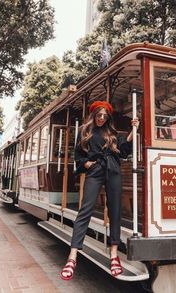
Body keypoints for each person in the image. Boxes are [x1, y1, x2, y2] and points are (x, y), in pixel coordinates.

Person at [60, 100, 139, 281]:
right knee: (85, 210)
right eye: (99, 115)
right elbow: (78, 153)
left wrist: (133, 131)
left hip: (113, 169)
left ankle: (114, 254)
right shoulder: (85, 131)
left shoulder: (111, 132)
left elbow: (123, 150)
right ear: (94, 115)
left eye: (105, 116)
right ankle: (72, 257)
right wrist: (85, 163)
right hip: (95, 171)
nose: (102, 118)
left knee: (115, 211)